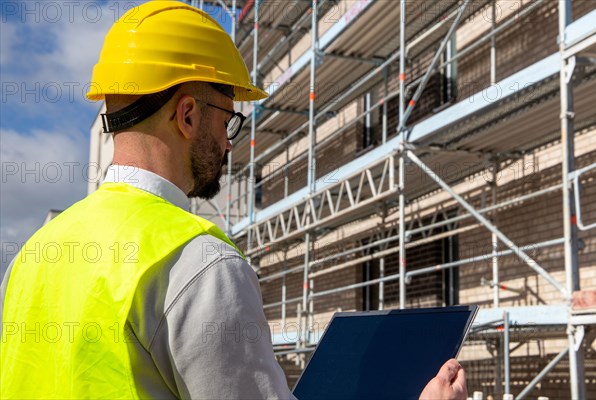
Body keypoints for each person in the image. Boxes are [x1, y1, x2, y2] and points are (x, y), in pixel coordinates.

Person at [0, 1, 468, 399]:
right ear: (186, 115)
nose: (228, 143)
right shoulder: (197, 261)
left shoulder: (32, 255)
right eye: (228, 121)